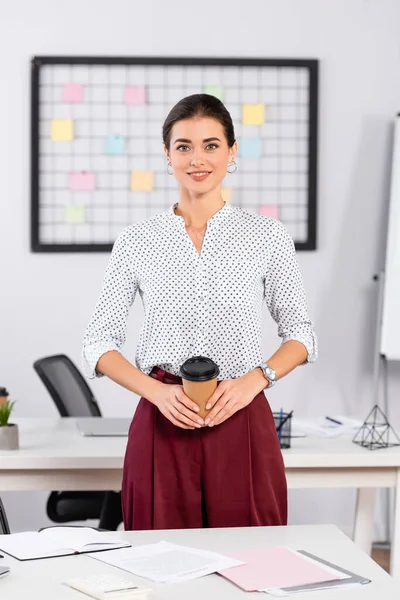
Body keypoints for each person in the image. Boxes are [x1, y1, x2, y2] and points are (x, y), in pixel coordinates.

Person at [82, 93, 318, 530]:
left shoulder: (266, 235)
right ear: (167, 155)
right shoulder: (137, 240)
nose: (197, 158)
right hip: (163, 418)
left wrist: (255, 381)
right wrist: (155, 393)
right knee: (157, 564)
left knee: (251, 560)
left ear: (231, 152)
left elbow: (301, 334)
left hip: (241, 414)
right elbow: (98, 344)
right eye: (184, 146)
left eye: (211, 145)